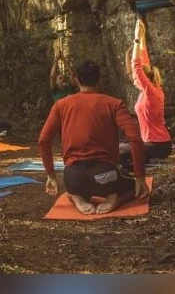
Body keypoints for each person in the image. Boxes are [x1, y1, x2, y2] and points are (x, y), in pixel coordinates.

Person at [37, 60, 150, 215]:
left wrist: (51, 175)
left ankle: (77, 198)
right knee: (132, 185)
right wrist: (140, 176)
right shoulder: (114, 104)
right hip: (107, 177)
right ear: (100, 79)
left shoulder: (60, 105)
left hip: (73, 178)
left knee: (72, 188)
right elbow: (135, 139)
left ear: (76, 80)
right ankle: (114, 198)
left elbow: (43, 140)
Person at [121, 17, 173, 164]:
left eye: (135, 76)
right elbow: (144, 61)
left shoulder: (151, 92)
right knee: (120, 148)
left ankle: (150, 160)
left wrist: (137, 39)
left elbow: (137, 66)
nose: (132, 78)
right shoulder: (150, 88)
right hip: (153, 143)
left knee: (120, 153)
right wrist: (142, 37)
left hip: (159, 145)